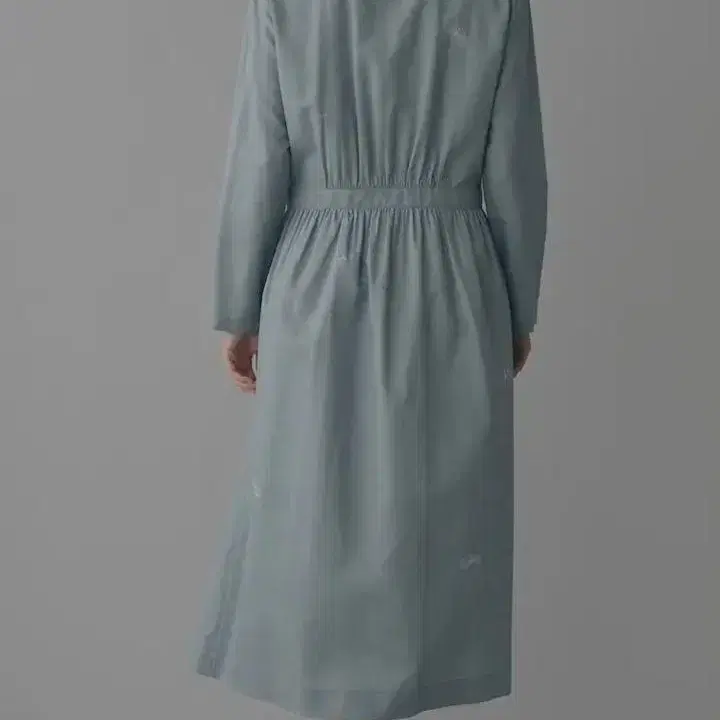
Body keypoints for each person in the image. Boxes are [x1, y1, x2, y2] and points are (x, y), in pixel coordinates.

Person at [193, 1, 547, 719]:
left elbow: (259, 155)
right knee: (433, 523)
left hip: (317, 274)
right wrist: (516, 305)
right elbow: (517, 167)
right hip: (453, 277)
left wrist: (240, 305)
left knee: (312, 506)